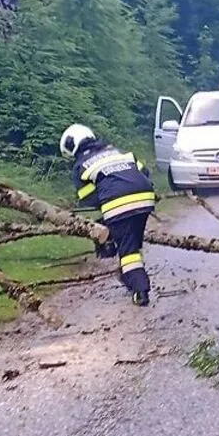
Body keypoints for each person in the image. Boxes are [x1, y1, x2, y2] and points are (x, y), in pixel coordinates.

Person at [61, 124, 156, 307]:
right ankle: (128, 274)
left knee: (127, 250)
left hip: (118, 204)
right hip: (145, 198)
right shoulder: (118, 152)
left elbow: (87, 198)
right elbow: (144, 172)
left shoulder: (81, 165)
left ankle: (140, 291)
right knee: (132, 243)